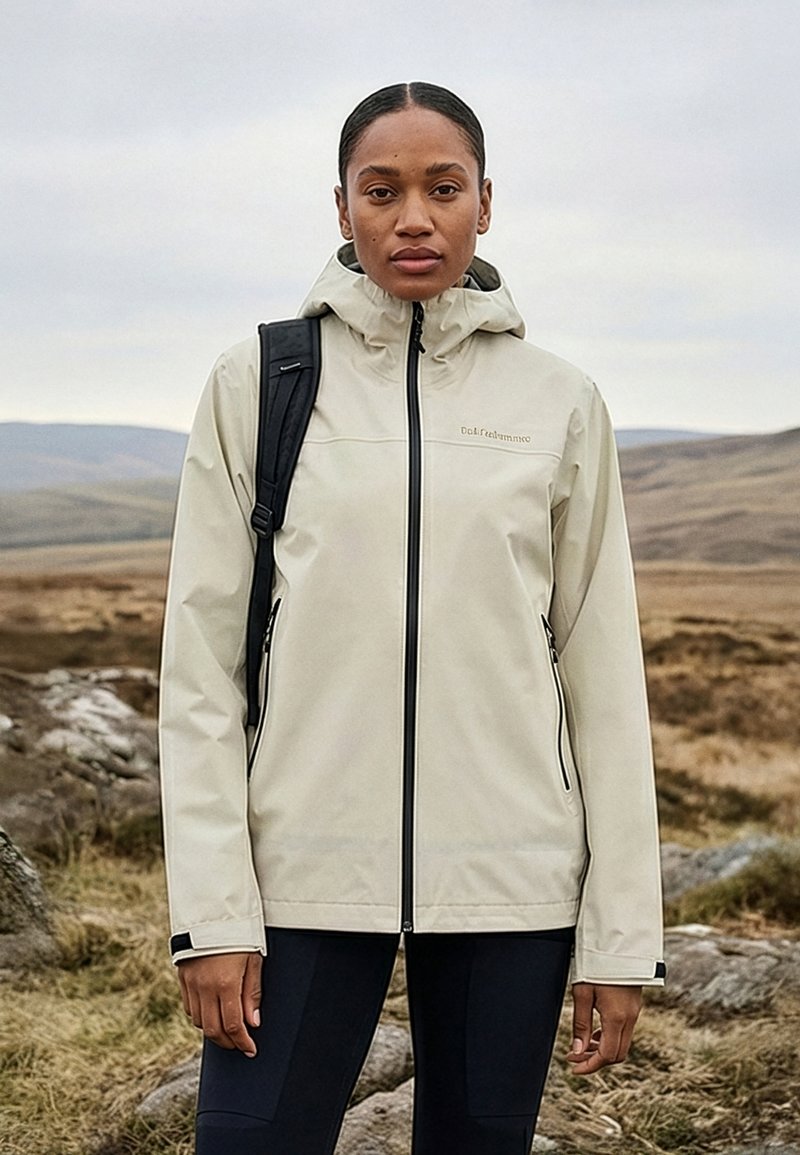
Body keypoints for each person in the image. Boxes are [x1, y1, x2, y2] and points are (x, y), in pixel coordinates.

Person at [159, 81, 664, 1155]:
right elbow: (201, 672)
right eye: (379, 191)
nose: (412, 218)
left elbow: (601, 678)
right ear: (340, 209)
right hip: (297, 876)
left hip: (511, 887)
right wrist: (212, 916)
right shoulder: (258, 382)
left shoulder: (559, 401)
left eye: (442, 188)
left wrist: (618, 939)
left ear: (486, 200)